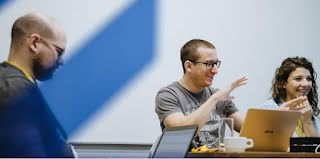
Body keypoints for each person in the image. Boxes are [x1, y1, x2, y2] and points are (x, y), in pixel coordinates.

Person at [0, 12, 74, 157]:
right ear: (34, 43)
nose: (61, 61)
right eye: (58, 52)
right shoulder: (14, 91)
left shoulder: (18, 84)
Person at [155, 39, 248, 149]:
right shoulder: (168, 95)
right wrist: (214, 99)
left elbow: (247, 129)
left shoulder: (217, 95)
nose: (215, 71)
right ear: (189, 66)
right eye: (208, 64)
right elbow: (181, 133)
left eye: (216, 64)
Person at [261, 57, 319, 137]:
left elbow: (316, 147)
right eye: (298, 79)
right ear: (283, 83)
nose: (306, 84)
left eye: (309, 79)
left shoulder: (307, 111)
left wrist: (307, 122)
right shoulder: (269, 109)